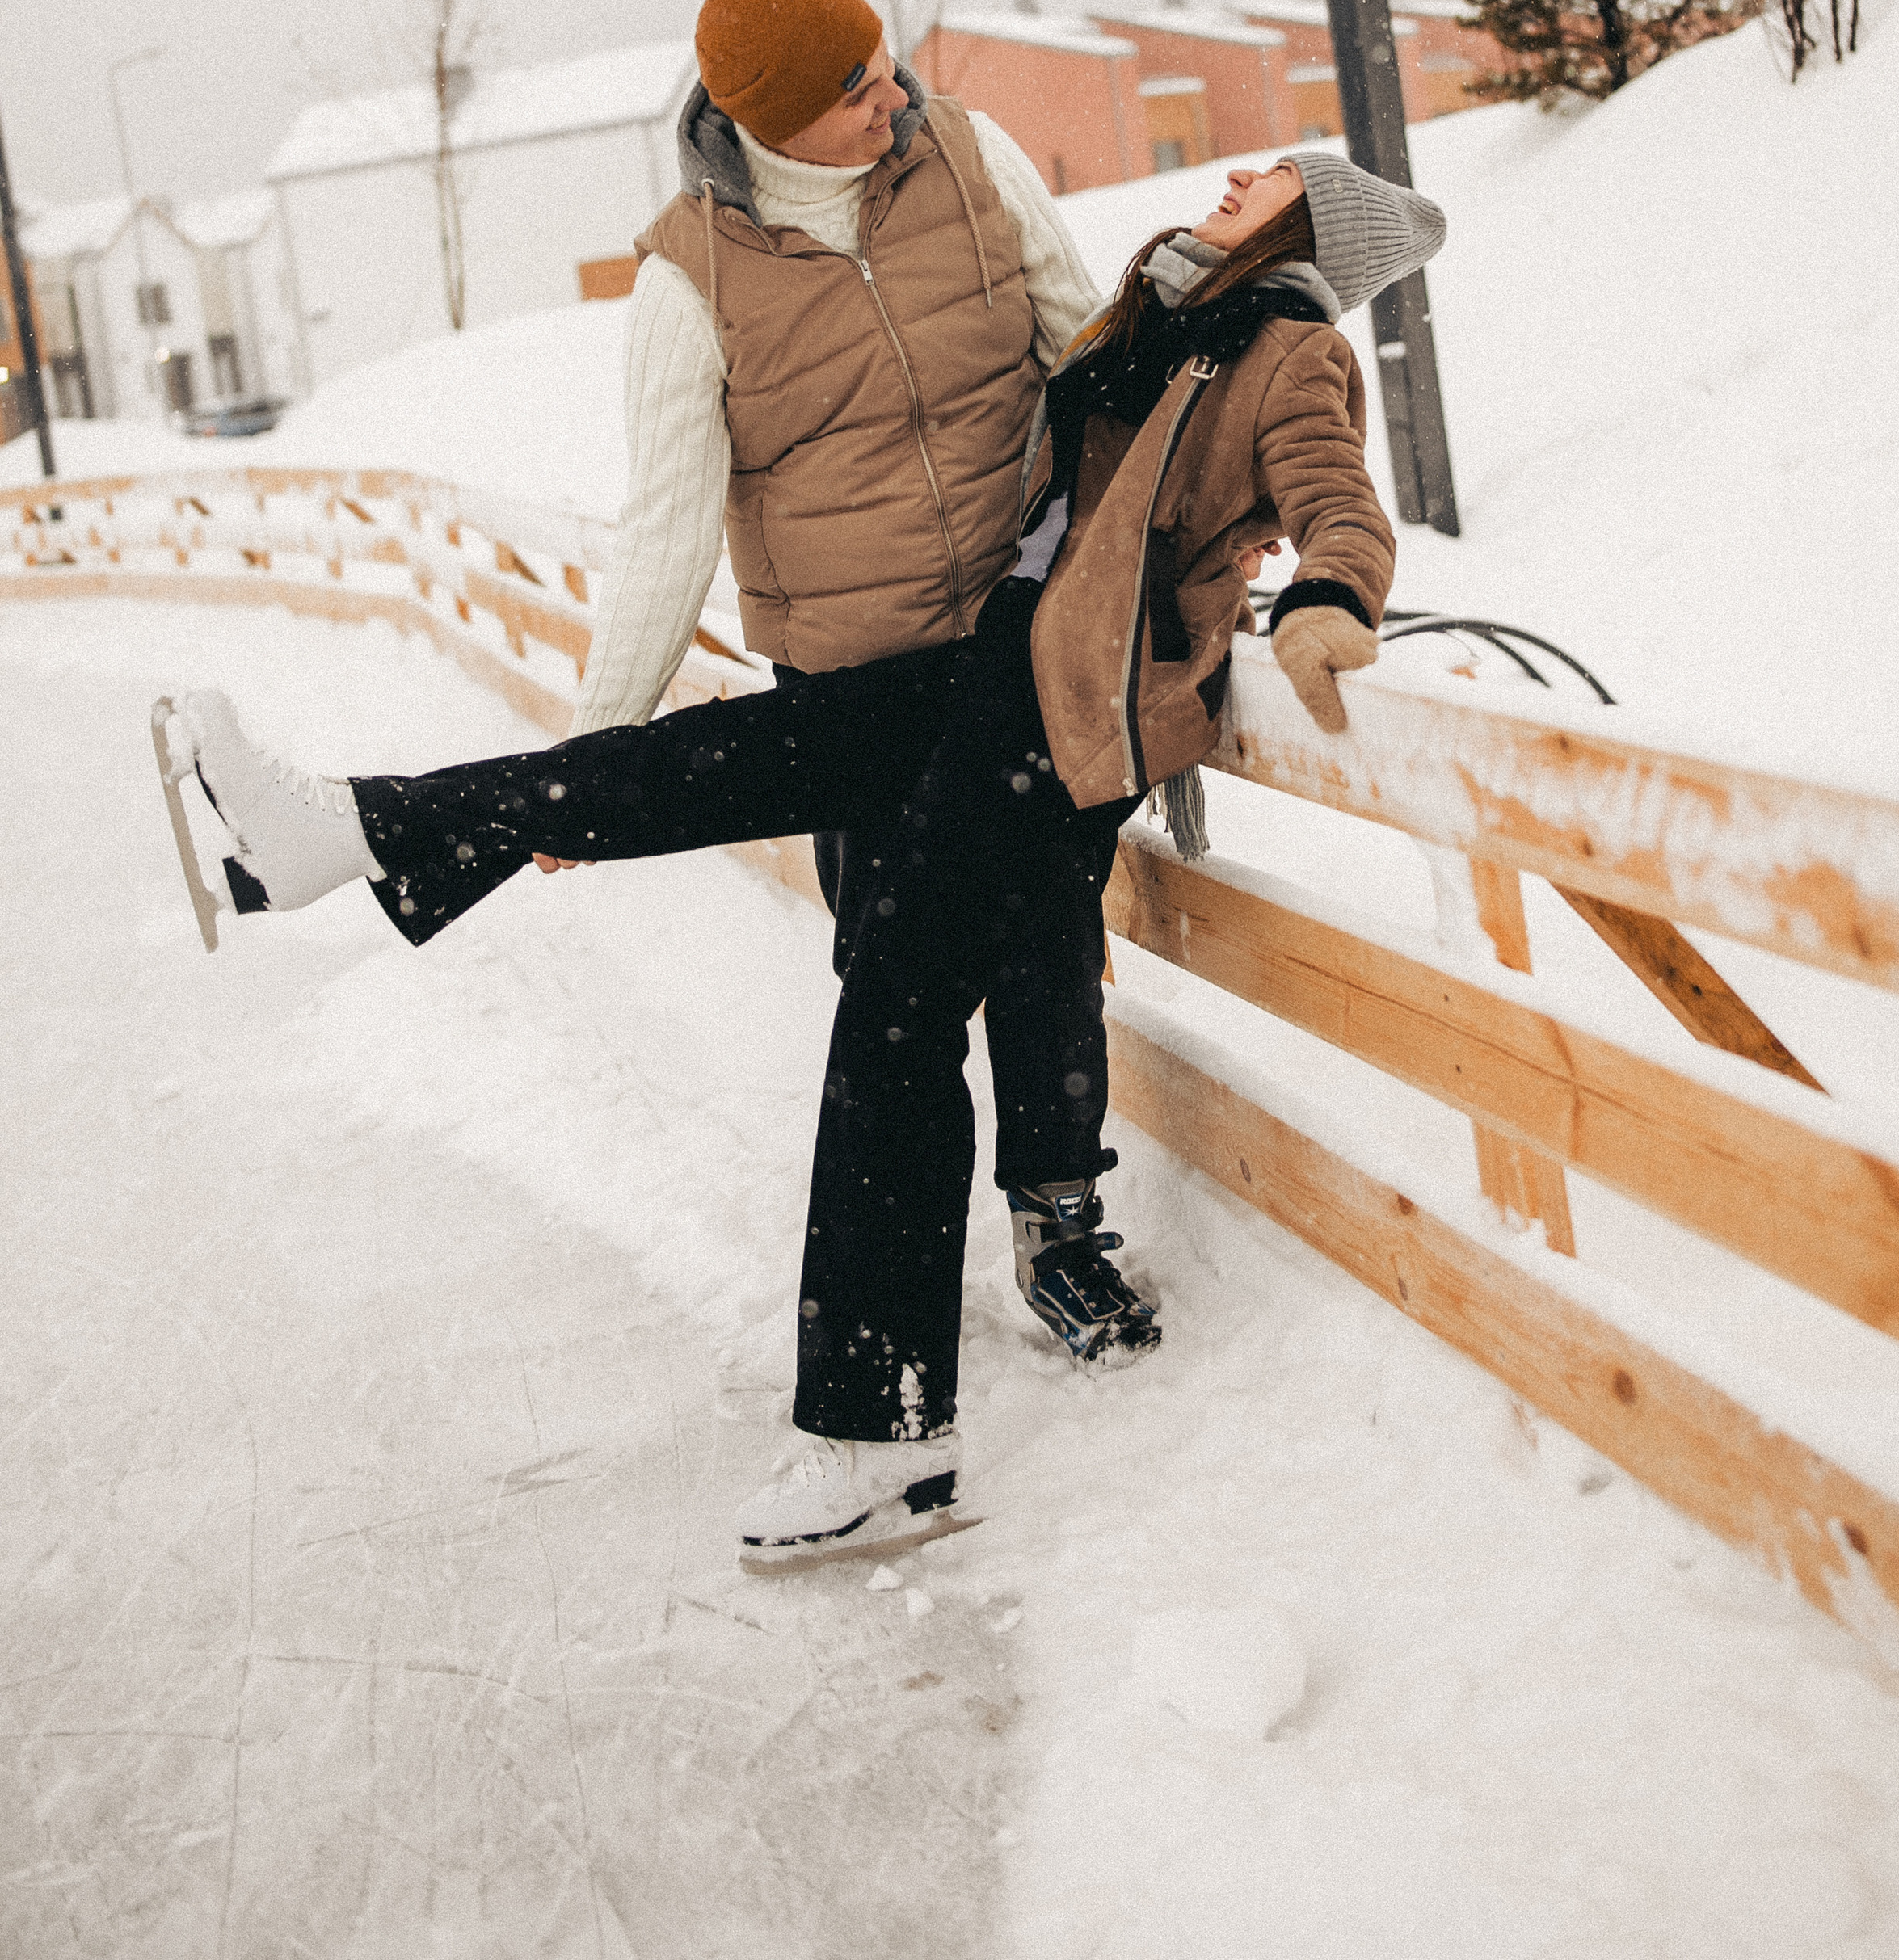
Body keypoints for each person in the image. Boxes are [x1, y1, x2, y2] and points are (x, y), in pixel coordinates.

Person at [159, 131, 1444, 1558]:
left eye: (1267, 180)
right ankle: (341, 831)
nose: (1233, 181)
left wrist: (1333, 593)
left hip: (1060, 719)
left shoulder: (1287, 343)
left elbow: (1336, 495)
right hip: (985, 673)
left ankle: (883, 1441)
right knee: (694, 766)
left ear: (1308, 225)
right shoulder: (1170, 310)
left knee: (893, 1017)